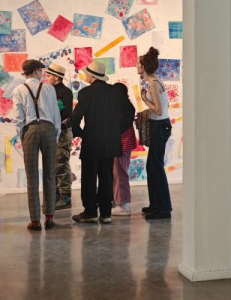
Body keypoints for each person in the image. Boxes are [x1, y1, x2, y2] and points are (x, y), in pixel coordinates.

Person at [72, 62, 134, 224]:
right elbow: (130, 112)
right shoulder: (115, 92)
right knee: (107, 177)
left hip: (92, 141)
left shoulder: (85, 93)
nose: (85, 76)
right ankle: (106, 213)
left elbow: (75, 118)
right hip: (110, 142)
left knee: (89, 178)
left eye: (87, 73)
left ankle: (90, 212)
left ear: (92, 76)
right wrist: (117, 130)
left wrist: (81, 133)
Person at [11, 59, 61, 231]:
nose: (43, 74)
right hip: (48, 129)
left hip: (30, 130)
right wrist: (56, 134)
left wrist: (22, 134)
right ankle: (49, 217)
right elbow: (55, 114)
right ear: (35, 71)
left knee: (32, 177)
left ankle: (35, 220)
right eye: (41, 70)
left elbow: (18, 117)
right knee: (50, 174)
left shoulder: (18, 89)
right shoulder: (49, 88)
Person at [138, 48, 173, 220]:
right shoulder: (153, 81)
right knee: (152, 167)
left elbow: (158, 110)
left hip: (160, 126)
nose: (136, 66)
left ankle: (164, 209)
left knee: (156, 167)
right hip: (158, 126)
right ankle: (155, 205)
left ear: (143, 67)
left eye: (138, 64)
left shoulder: (153, 83)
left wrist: (144, 99)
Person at [43, 63, 73, 209]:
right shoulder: (46, 91)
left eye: (48, 75)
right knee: (52, 164)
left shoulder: (65, 92)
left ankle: (65, 196)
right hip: (50, 132)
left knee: (61, 162)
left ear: (56, 77)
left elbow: (66, 113)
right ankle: (54, 196)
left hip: (62, 132)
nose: (46, 77)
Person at [110, 81, 136, 215]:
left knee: (120, 174)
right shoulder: (126, 105)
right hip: (122, 143)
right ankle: (119, 201)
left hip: (121, 144)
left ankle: (123, 204)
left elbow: (120, 126)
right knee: (118, 173)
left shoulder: (123, 107)